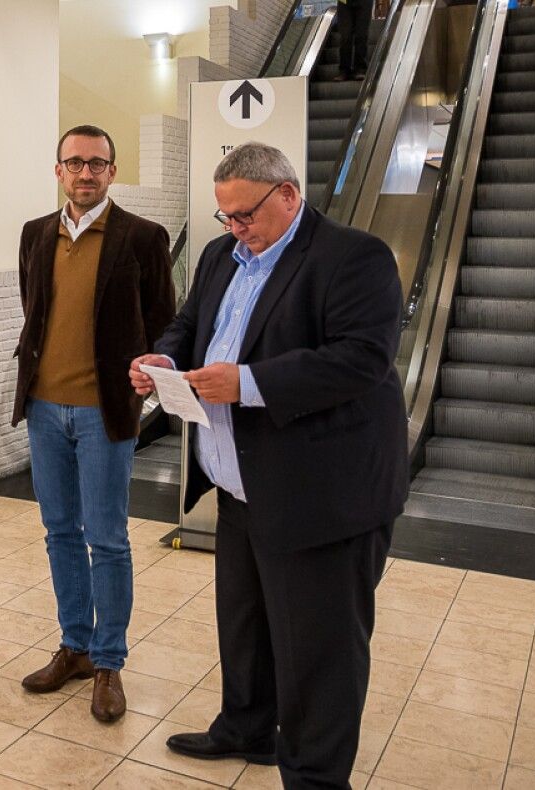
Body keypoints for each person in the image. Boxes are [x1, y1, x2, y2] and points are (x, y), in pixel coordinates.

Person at [130, 142, 406, 789]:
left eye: (245, 215)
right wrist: (165, 359)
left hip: (321, 498)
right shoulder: (219, 256)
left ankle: (314, 777)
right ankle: (247, 727)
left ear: (287, 194)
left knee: (319, 651)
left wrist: (248, 383)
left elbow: (362, 358)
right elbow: (189, 324)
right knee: (246, 624)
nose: (235, 229)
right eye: (225, 216)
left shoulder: (353, 258)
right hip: (240, 487)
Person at [11, 125, 176, 721]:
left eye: (97, 164)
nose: (86, 173)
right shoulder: (35, 234)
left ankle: (109, 662)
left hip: (104, 413)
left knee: (106, 538)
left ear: (112, 170)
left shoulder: (143, 237)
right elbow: (35, 311)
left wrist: (151, 381)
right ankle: (74, 646)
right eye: (75, 163)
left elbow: (163, 323)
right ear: (58, 170)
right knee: (59, 532)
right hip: (43, 410)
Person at [336, 0, 372, 80]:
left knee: (361, 34)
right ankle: (344, 70)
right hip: (344, 2)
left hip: (365, 2)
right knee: (345, 35)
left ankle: (360, 69)